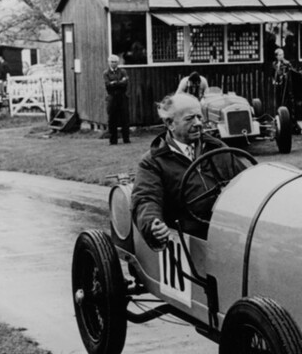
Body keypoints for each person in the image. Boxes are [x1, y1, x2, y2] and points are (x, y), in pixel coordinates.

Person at [130, 93, 247, 247]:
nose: (198, 123)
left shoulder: (217, 148)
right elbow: (146, 198)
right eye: (190, 118)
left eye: (199, 117)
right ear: (170, 123)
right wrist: (153, 223)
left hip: (227, 231)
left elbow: (245, 180)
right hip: (187, 239)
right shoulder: (153, 161)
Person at [103, 54, 130, 145]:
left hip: (122, 96)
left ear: (118, 63)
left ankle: (126, 139)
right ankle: (113, 140)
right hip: (112, 97)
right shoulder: (106, 73)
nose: (113, 63)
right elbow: (108, 85)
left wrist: (114, 83)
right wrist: (119, 82)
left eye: (115, 62)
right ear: (109, 62)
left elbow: (125, 83)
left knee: (125, 118)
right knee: (112, 119)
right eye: (112, 62)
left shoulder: (123, 71)